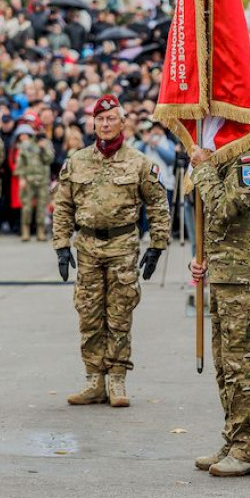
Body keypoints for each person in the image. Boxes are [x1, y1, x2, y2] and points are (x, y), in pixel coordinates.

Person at [52, 94, 169, 409]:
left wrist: (157, 245)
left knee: (119, 314)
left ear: (123, 123)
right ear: (93, 123)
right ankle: (94, 379)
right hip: (87, 246)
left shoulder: (139, 163)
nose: (105, 124)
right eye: (100, 119)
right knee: (89, 314)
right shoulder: (77, 161)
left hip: (122, 247)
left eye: (111, 119)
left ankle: (117, 379)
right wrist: (61, 245)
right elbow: (63, 206)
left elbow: (158, 204)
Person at [187, 132, 250, 477]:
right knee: (226, 367)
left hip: (246, 276)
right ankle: (234, 438)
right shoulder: (235, 150)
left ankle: (248, 449)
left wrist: (203, 169)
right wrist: (204, 259)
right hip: (228, 273)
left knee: (244, 368)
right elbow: (219, 225)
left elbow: (228, 207)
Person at [14, 122, 55, 241]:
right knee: (26, 206)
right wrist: (21, 178)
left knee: (42, 206)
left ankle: (40, 231)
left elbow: (49, 159)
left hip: (42, 180)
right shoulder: (25, 145)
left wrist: (43, 149)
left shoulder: (46, 144)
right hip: (28, 179)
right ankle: (25, 230)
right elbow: (20, 163)